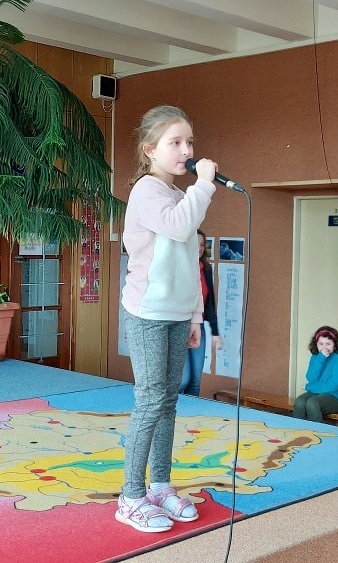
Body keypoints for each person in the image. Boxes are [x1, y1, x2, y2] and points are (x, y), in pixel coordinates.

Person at [116, 105, 217, 533]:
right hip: (148, 312)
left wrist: (194, 316)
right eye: (175, 142)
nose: (186, 150)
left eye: (189, 141)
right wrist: (204, 184)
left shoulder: (179, 195)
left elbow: (190, 260)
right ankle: (130, 497)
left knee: (169, 401)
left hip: (177, 312)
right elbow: (177, 228)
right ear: (150, 150)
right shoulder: (147, 191)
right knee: (151, 400)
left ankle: (159, 486)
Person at [179, 229, 223, 396]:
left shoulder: (206, 269)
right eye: (195, 244)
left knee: (195, 381)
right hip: (180, 326)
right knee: (183, 379)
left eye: (202, 245)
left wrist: (216, 333)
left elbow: (209, 303)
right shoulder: (180, 267)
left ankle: (191, 411)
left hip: (199, 327)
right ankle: (172, 408)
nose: (199, 248)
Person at [293, 325, 338, 423]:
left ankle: (316, 431)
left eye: (328, 344)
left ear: (335, 345)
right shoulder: (316, 357)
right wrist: (321, 359)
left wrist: (310, 387)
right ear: (316, 344)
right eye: (321, 343)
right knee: (299, 402)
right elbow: (311, 378)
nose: (324, 347)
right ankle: (298, 429)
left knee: (312, 403)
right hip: (317, 392)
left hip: (337, 396)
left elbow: (334, 386)